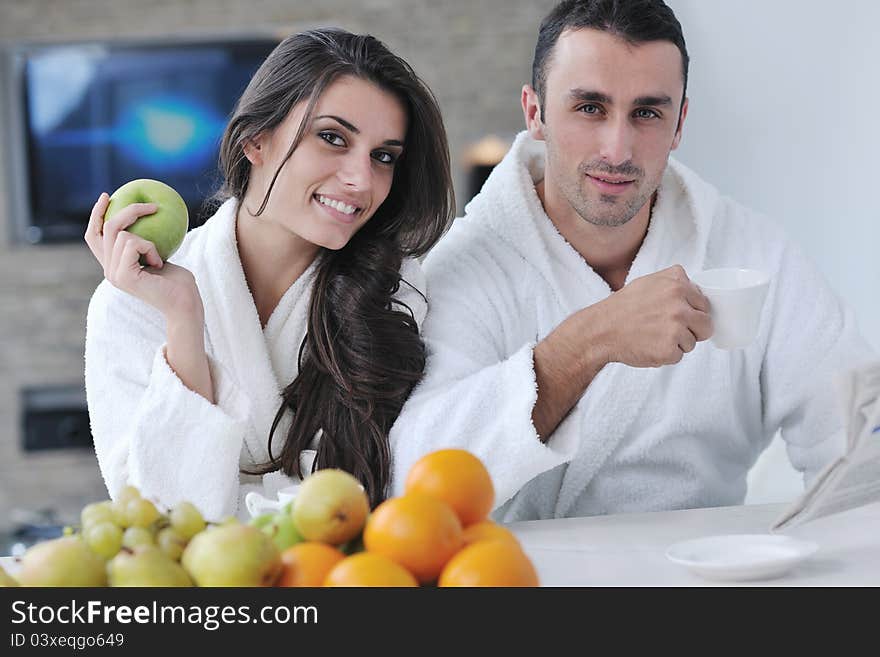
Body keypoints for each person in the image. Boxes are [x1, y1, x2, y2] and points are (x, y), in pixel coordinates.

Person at [389, 0, 873, 522]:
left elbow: (858, 447)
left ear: (680, 122)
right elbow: (416, 481)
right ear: (535, 114)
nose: (617, 149)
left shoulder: (752, 254)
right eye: (590, 108)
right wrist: (592, 338)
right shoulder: (466, 266)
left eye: (647, 113)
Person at [84, 28, 454, 521]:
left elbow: (387, 493)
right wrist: (184, 323)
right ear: (255, 142)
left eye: (383, 156)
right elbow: (162, 519)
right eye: (332, 138)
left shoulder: (394, 289)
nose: (362, 180)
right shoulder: (131, 302)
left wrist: (235, 501)